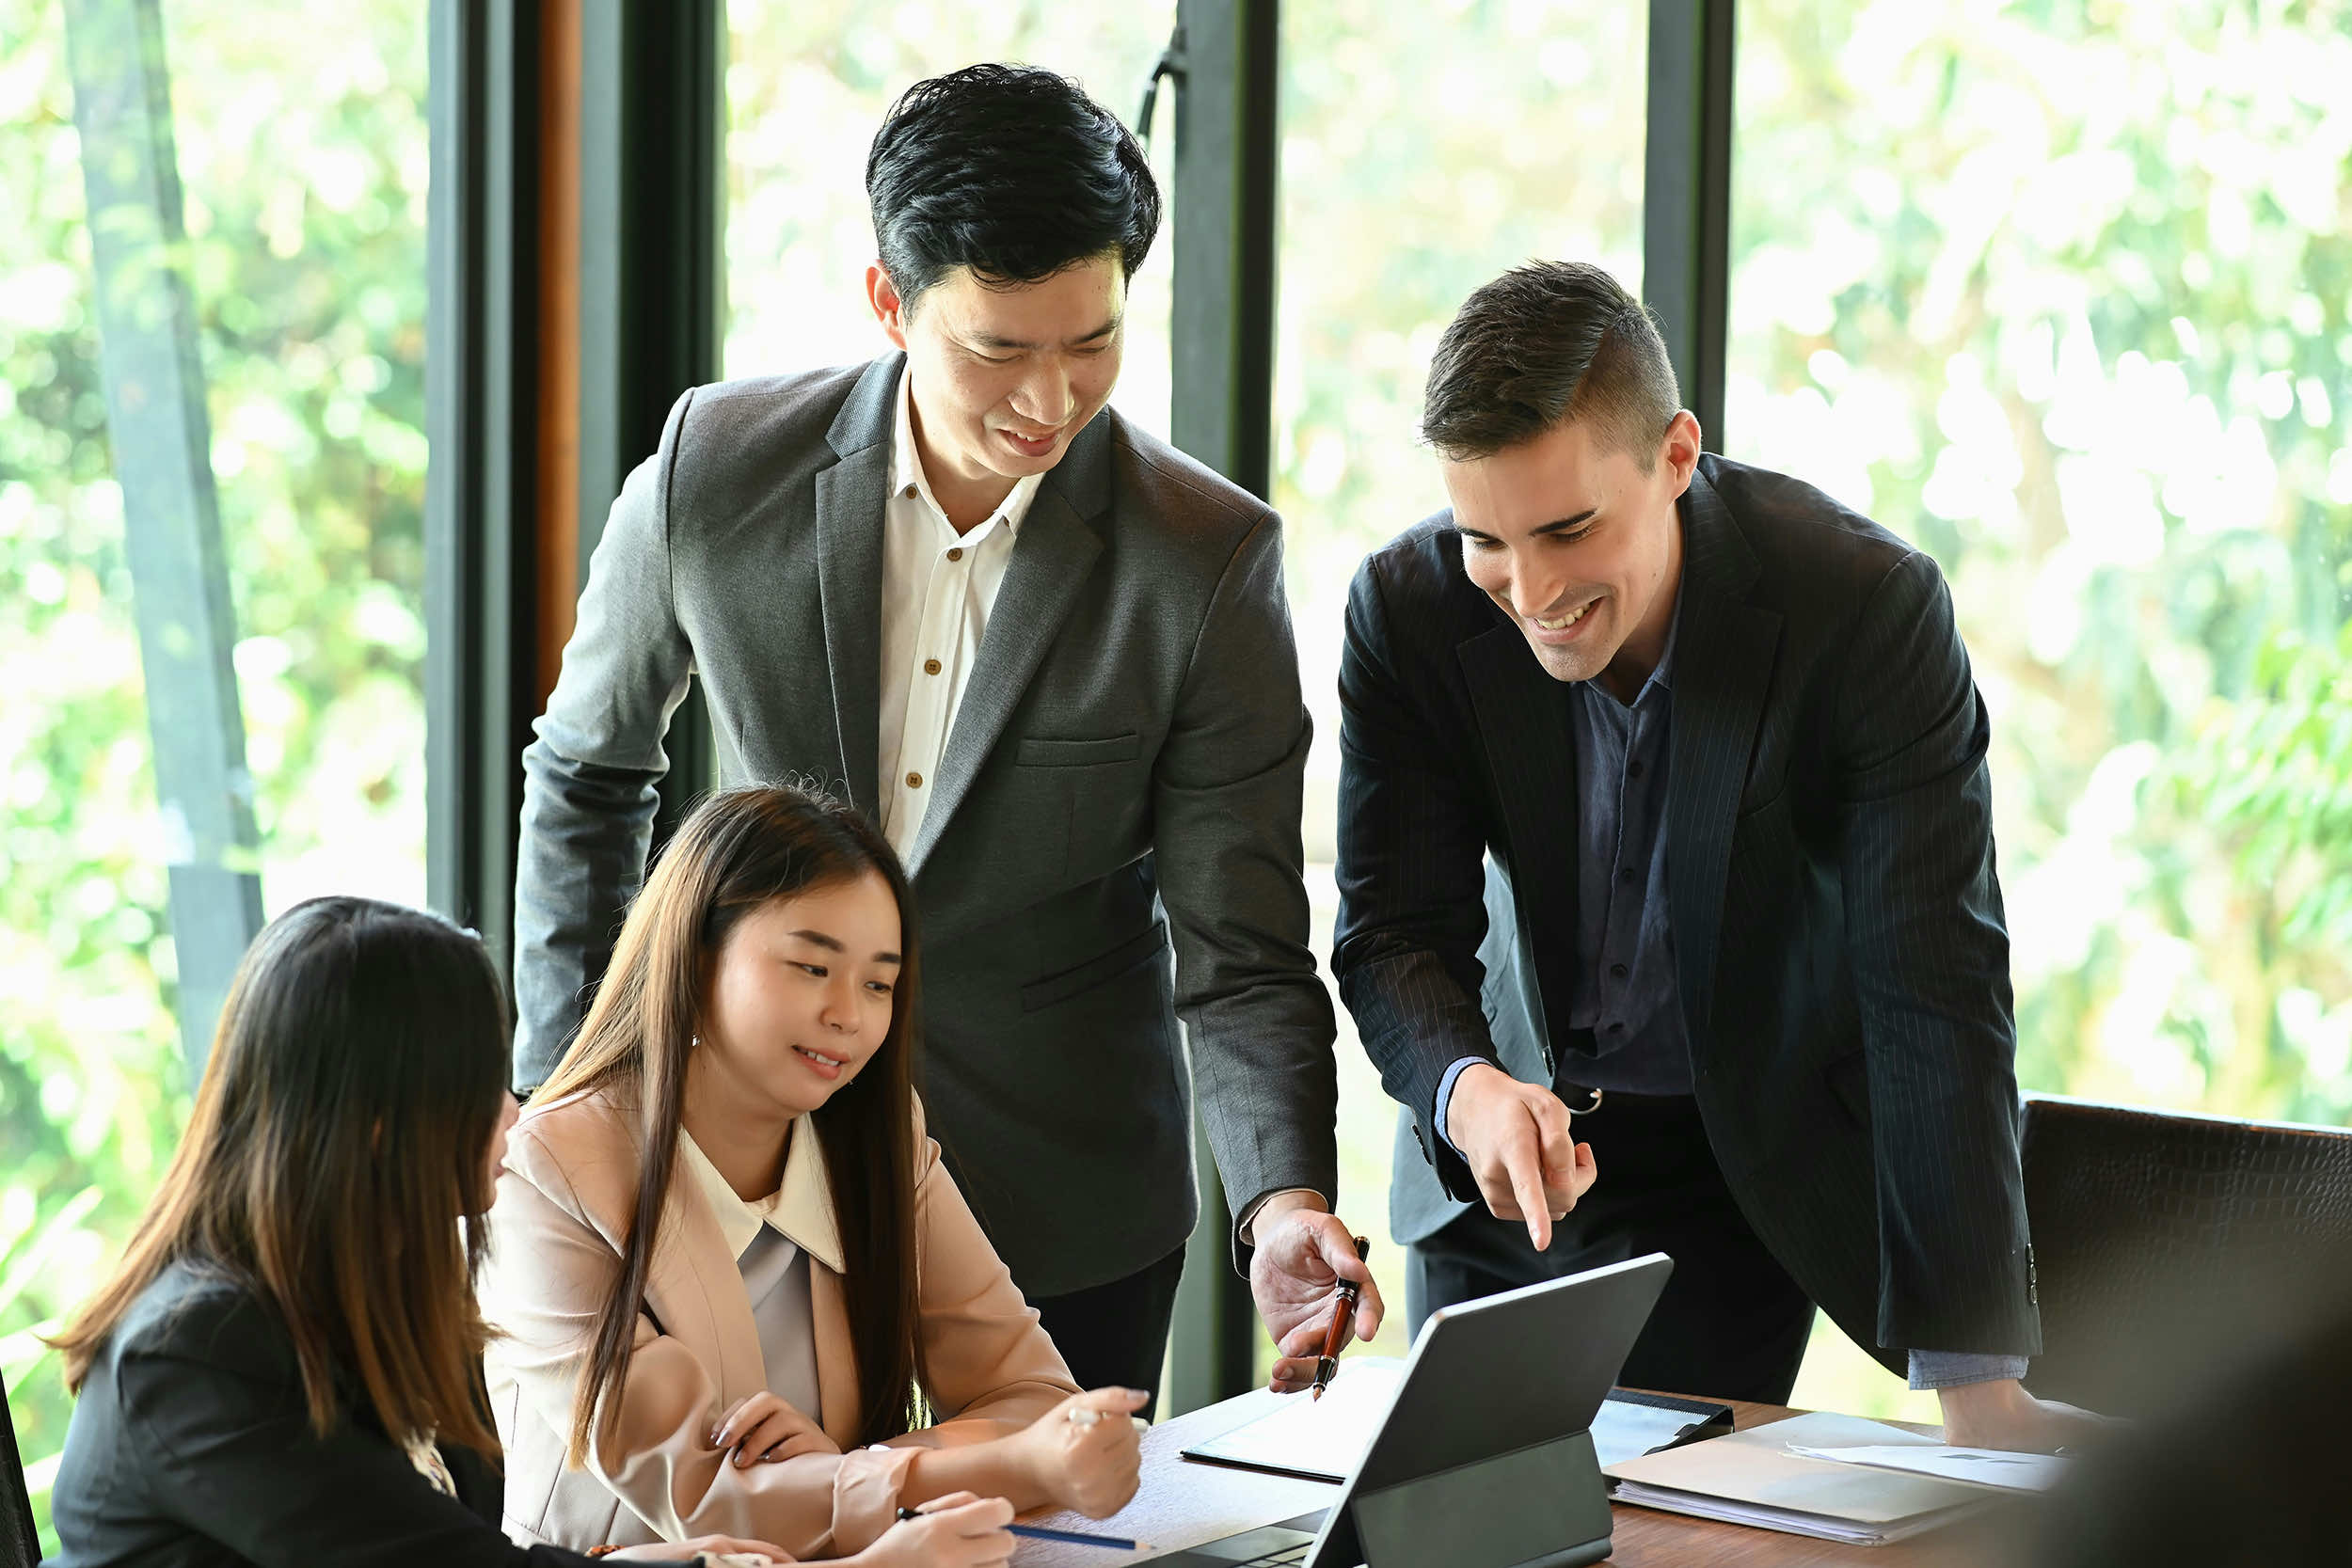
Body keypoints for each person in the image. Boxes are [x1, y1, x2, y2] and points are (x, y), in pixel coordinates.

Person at [512, 62, 1378, 1402]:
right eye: (1000, 348)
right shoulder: (715, 469)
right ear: (889, 301)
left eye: (1091, 341)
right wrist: (571, 1108)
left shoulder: (1203, 560)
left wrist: (1283, 1199)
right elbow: (589, 774)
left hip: (1069, 1190)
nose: (1052, 396)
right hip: (745, 1158)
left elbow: (1240, 948)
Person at [1331, 259, 2096, 1448]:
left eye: (1568, 530)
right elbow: (1393, 932)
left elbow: (1930, 988)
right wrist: (1465, 1090)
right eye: (1485, 538)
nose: (1529, 592)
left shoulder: (1864, 611)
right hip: (1496, 1150)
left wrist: (1977, 1378)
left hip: (1732, 1169)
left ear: (1676, 457)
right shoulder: (1410, 610)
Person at [43, 895, 1007, 1568]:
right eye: (479, 1085)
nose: (513, 1110)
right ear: (381, 1120)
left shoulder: (384, 1297)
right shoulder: (201, 1356)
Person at [484, 785, 1156, 1558]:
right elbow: (702, 1496)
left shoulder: (871, 1131)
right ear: (697, 956)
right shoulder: (549, 1170)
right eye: (812, 967)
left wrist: (856, 1471)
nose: (851, 1015)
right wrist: (992, 1465)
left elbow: (1033, 1394)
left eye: (879, 982)